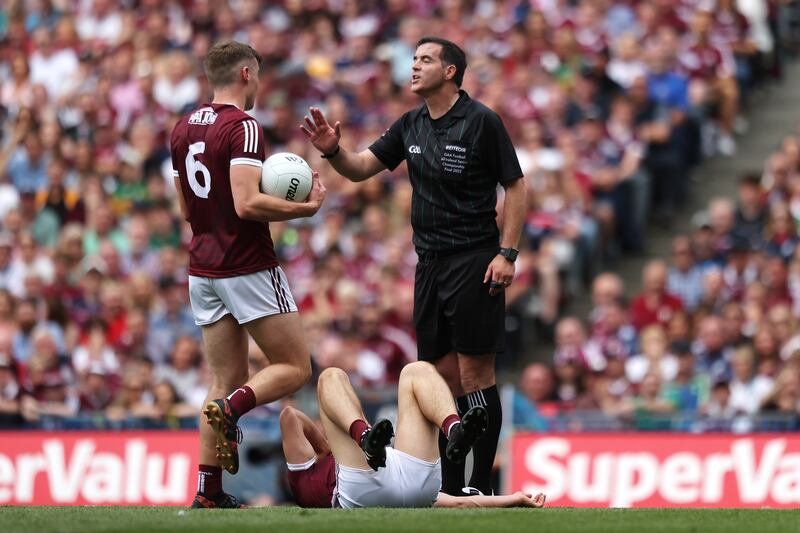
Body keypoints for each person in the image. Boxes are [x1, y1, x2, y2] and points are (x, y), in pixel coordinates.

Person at [301, 36, 526, 496]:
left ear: (450, 71)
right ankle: (447, 486)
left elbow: (516, 187)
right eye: (414, 59)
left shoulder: (482, 121)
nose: (414, 66)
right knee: (438, 377)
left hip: (474, 259)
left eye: (425, 59)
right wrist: (332, 151)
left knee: (475, 375)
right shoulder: (410, 124)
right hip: (428, 266)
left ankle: (480, 484)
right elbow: (362, 167)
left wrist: (507, 253)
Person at [170, 41, 326, 509]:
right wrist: (304, 209)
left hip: (203, 266)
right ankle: (233, 410)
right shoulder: (243, 126)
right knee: (295, 368)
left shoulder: (181, 128)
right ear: (244, 74)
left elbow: (185, 209)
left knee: (223, 378)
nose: (257, 84)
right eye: (256, 75)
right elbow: (246, 203)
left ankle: (209, 492)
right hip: (247, 264)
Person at [280, 361, 546, 509]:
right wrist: (323, 446)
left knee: (414, 370)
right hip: (377, 488)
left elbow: (458, 503)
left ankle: (454, 430)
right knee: (330, 376)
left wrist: (514, 499)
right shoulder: (300, 479)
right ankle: (367, 438)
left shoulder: (308, 477)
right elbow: (290, 417)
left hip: (402, 488)